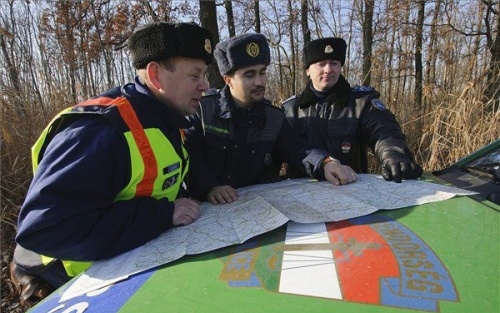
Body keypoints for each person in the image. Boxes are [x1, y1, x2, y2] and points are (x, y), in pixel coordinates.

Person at [11, 22, 214, 298]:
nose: (205, 85)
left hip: (127, 261)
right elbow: (46, 230)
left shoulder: (168, 120)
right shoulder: (99, 131)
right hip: (74, 281)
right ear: (155, 75)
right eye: (195, 75)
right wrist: (164, 214)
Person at [185, 33, 356, 205]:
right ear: (228, 80)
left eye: (262, 72)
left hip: (258, 209)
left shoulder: (273, 117)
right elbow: (190, 159)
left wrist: (326, 163)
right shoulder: (202, 111)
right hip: (211, 210)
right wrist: (211, 187)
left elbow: (299, 149)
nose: (260, 82)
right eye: (249, 75)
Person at [282, 37, 423, 183]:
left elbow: (384, 131)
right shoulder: (290, 109)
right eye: (321, 64)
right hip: (303, 194)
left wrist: (393, 154)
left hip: (350, 188)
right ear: (307, 70)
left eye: (334, 63)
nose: (328, 69)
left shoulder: (360, 102)